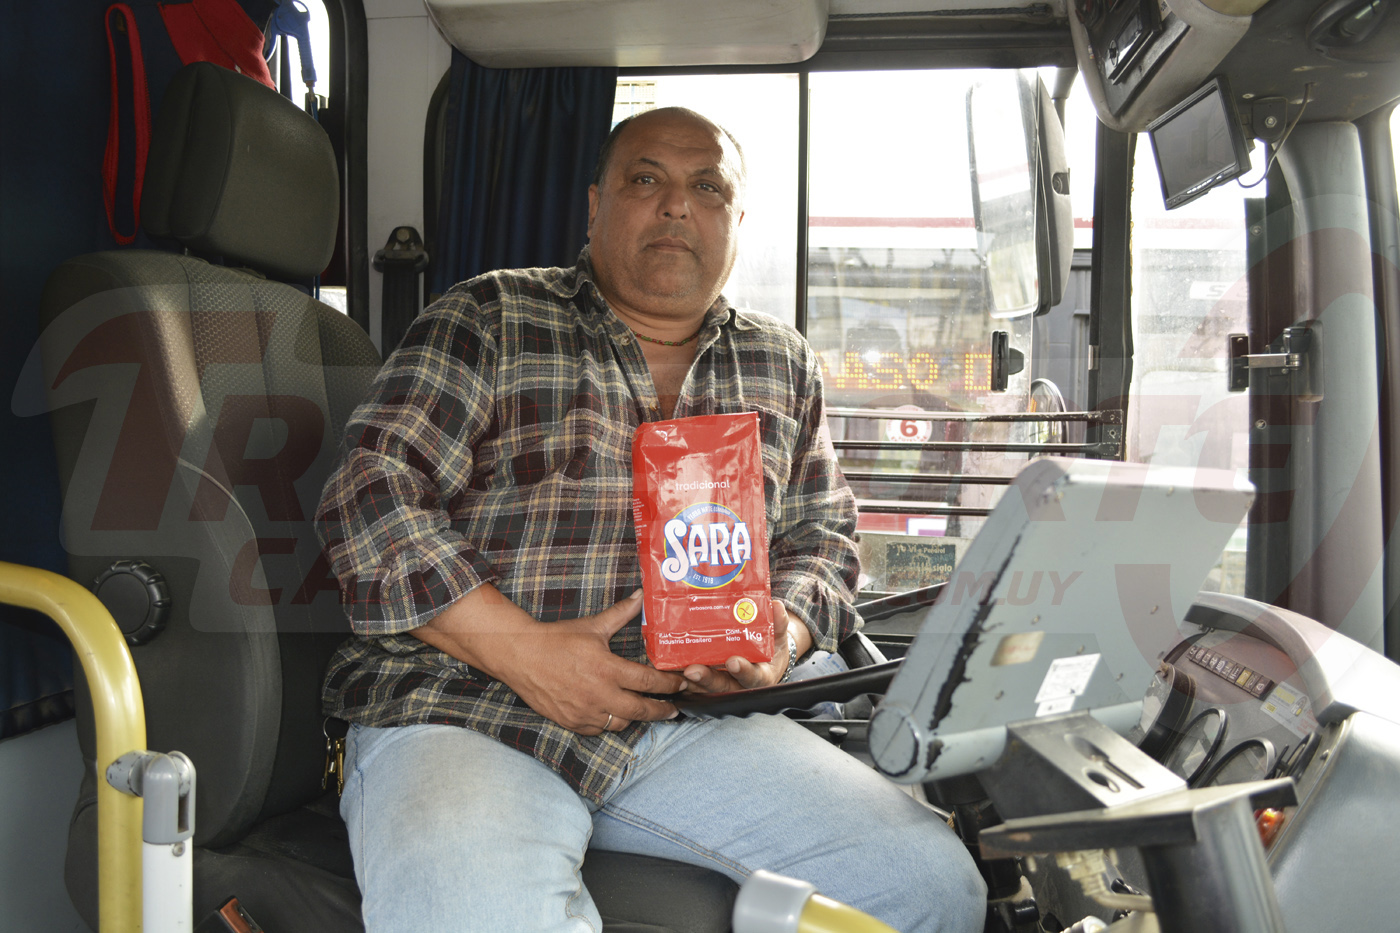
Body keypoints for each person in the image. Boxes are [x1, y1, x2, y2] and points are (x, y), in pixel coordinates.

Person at [317, 105, 986, 933]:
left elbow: (823, 538)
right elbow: (370, 492)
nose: (676, 204)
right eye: (646, 179)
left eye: (707, 187)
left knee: (933, 888)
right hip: (465, 704)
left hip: (687, 725)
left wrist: (778, 639)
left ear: (736, 220)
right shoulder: (489, 316)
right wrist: (524, 650)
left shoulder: (782, 362)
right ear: (595, 207)